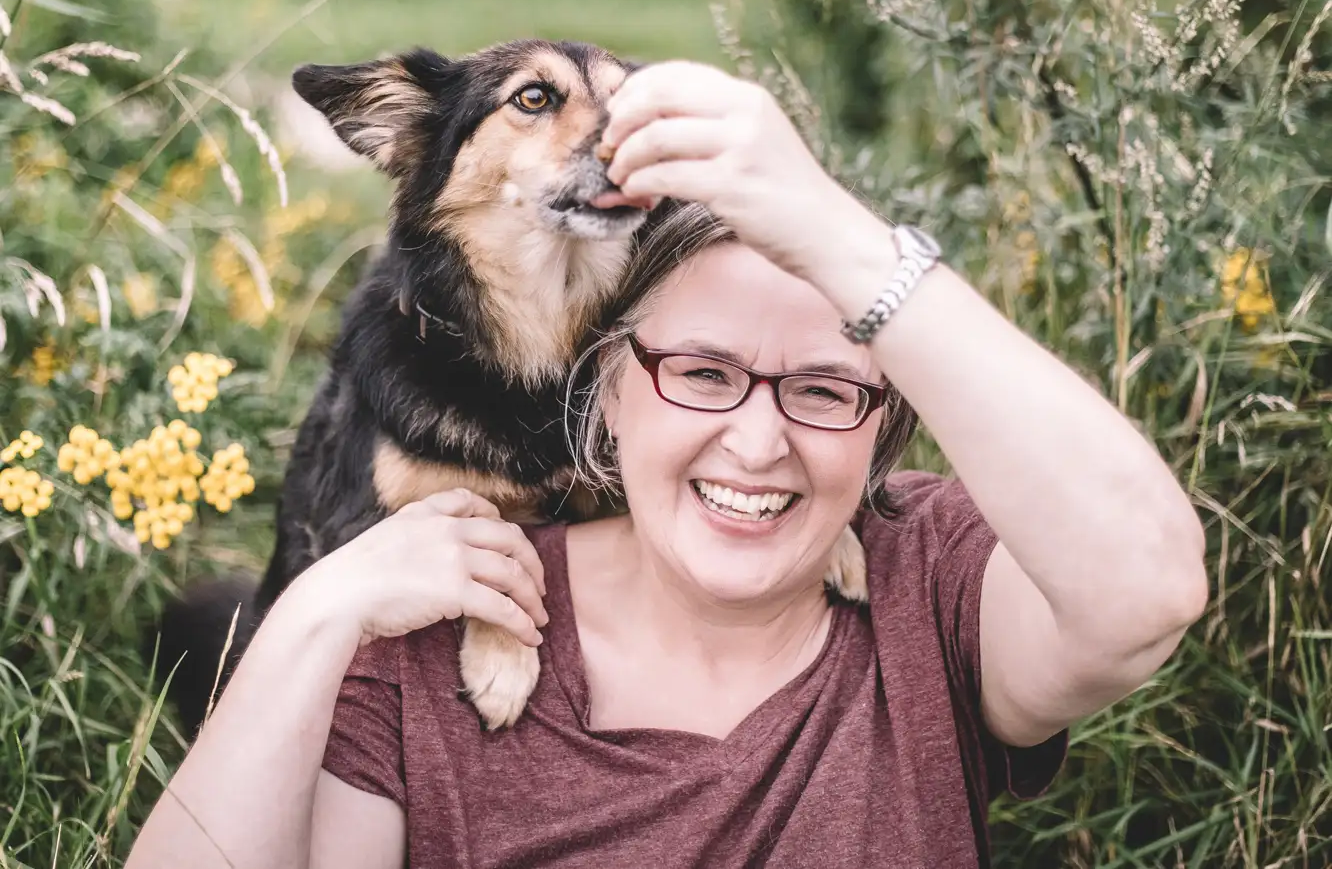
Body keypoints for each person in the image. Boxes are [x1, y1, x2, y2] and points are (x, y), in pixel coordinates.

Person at [126, 61, 1209, 869]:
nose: (756, 437)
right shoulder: (429, 608)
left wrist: (836, 229)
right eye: (702, 372)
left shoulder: (924, 578)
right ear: (610, 391)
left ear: (886, 421)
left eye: (825, 388)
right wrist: (314, 614)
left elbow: (1147, 585)